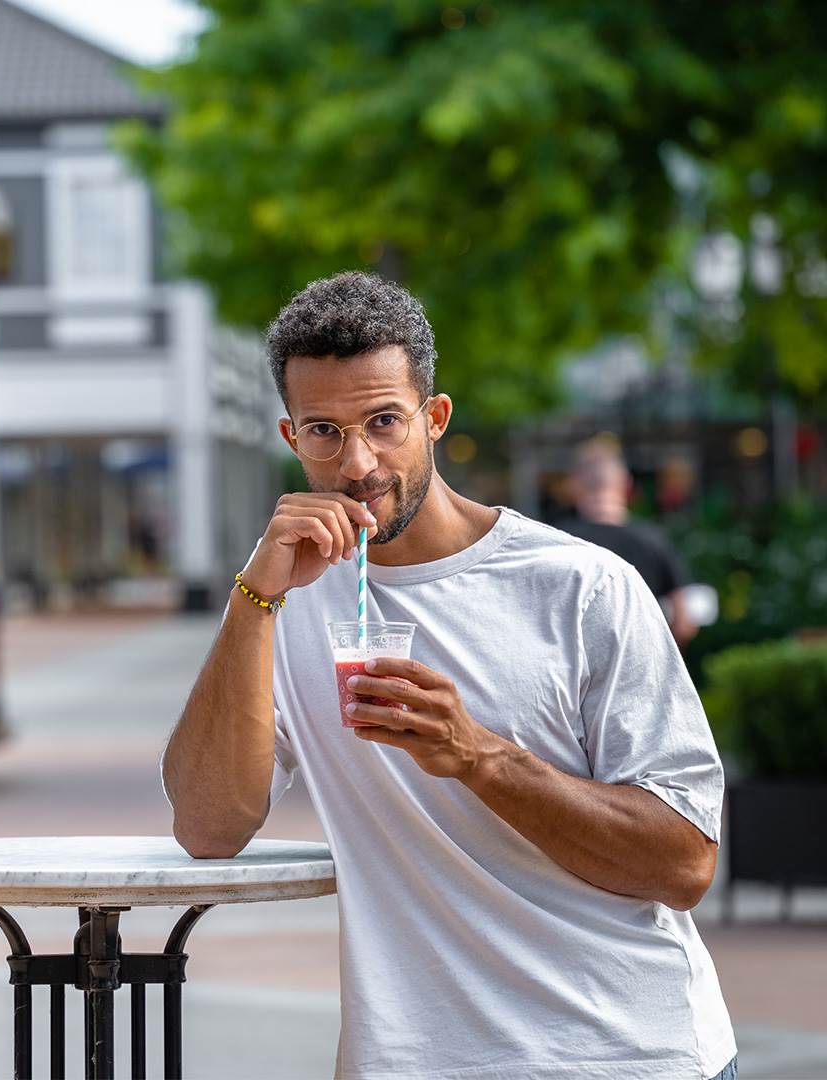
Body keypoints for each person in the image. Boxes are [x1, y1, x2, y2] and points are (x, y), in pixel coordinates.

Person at [161, 272, 737, 1080]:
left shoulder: (581, 586)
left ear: (434, 418)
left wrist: (478, 756)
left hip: (623, 1055)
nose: (357, 462)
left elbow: (683, 865)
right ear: (291, 438)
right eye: (325, 430)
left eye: (384, 422)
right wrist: (253, 599)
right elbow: (207, 827)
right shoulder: (283, 598)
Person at [559, 437, 699, 647]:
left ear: (575, 485)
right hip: (640, 663)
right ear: (626, 484)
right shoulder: (653, 540)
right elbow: (684, 623)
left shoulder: (558, 542)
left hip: (576, 673)